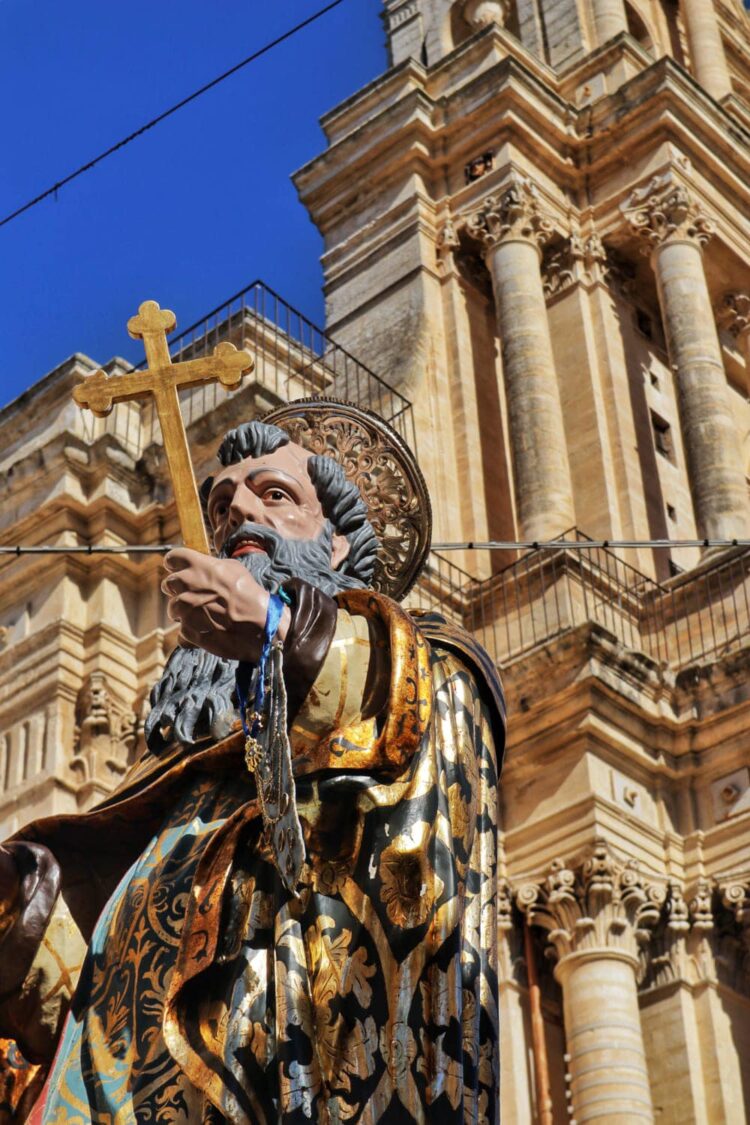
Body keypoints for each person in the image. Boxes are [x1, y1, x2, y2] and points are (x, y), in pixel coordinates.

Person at [0, 400, 505, 1124]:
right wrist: (18, 900)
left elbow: (402, 719)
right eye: (221, 504)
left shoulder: (417, 667)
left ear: (335, 548)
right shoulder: (177, 782)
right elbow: (91, 992)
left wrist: (278, 629)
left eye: (273, 494)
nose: (236, 510)